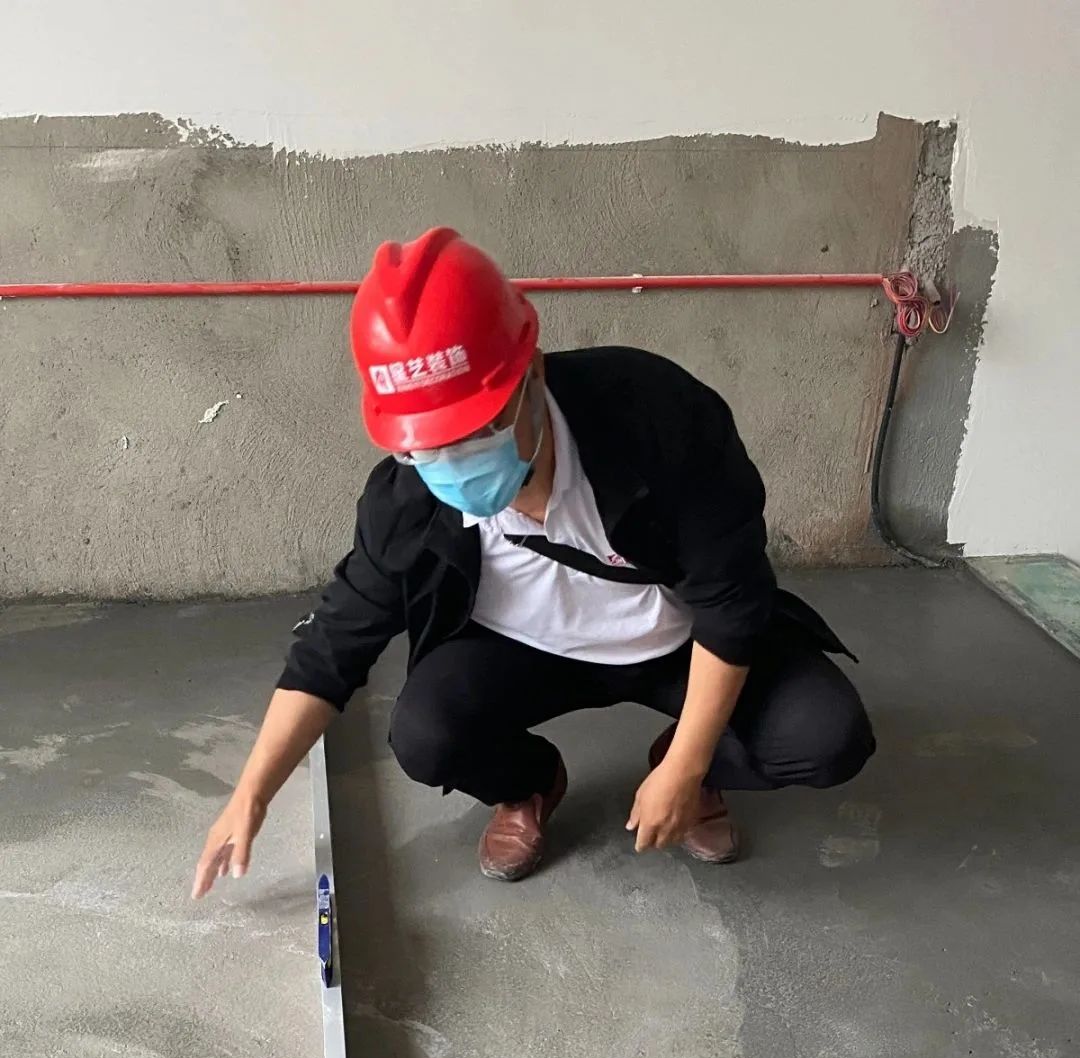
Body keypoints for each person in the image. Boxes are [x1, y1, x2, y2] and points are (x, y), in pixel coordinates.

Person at [193, 227, 874, 897]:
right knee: (425, 734)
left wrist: (688, 765)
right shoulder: (407, 498)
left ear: (532, 373)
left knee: (826, 735)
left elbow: (731, 601)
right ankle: (530, 784)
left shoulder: (657, 416)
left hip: (677, 640)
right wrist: (252, 793)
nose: (451, 462)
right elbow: (332, 649)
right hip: (523, 649)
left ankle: (686, 760)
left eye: (475, 430)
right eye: (423, 445)